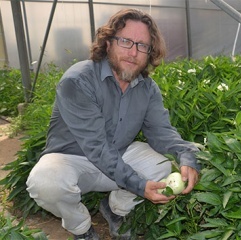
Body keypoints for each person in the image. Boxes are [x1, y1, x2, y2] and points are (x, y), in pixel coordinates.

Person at [26, 8, 200, 240]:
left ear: (150, 53)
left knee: (164, 164)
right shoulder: (78, 81)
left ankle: (115, 209)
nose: (133, 52)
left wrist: (186, 156)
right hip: (73, 160)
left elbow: (162, 132)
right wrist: (139, 185)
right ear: (108, 43)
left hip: (117, 154)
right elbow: (96, 147)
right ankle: (81, 227)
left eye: (142, 45)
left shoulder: (147, 88)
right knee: (46, 182)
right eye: (126, 41)